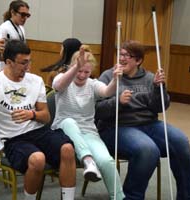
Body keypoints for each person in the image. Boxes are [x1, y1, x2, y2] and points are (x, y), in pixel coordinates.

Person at [96, 40, 190, 200]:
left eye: (126, 56)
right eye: (120, 54)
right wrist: (118, 102)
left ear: (138, 60)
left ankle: (189, 196)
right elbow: (97, 110)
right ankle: (131, 197)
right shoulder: (108, 76)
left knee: (180, 141)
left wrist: (159, 88)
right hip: (116, 127)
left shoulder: (150, 77)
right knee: (148, 150)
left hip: (149, 124)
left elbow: (160, 107)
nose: (121, 59)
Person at [0, 39, 76, 200]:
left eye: (29, 61)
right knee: (38, 159)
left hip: (38, 131)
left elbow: (46, 117)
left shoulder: (35, 81)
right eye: (23, 63)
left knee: (67, 149)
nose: (28, 67)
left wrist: (33, 115)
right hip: (12, 138)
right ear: (9, 62)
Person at [51, 45, 125, 200]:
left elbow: (106, 92)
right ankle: (88, 161)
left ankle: (119, 197)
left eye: (87, 72)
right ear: (72, 66)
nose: (83, 75)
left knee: (106, 161)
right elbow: (58, 86)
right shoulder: (62, 78)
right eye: (79, 70)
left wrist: (115, 80)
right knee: (70, 122)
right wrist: (75, 67)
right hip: (63, 128)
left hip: (87, 131)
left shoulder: (92, 84)